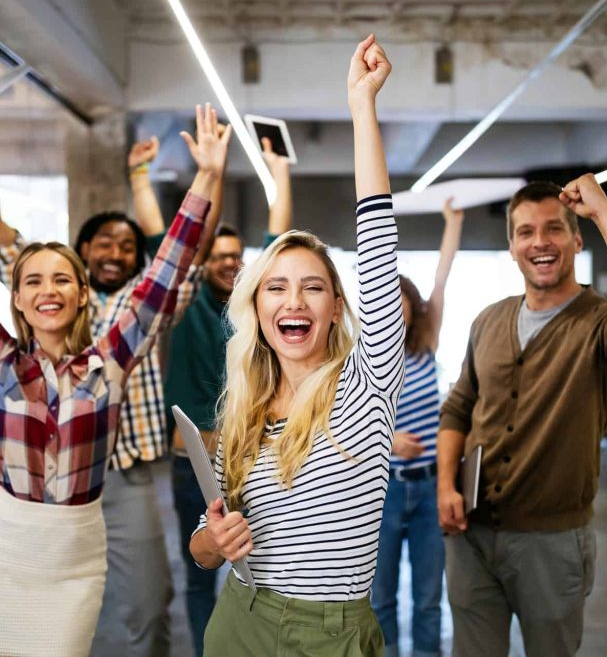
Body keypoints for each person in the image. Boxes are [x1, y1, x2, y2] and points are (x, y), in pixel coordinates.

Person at [0, 81, 228, 656]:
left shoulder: (110, 361)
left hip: (76, 555)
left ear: (80, 295)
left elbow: (166, 274)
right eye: (32, 280)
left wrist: (204, 178)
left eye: (61, 279)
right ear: (18, 299)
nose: (46, 289)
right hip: (5, 550)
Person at [188, 34, 403, 657]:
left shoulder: (366, 385)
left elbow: (379, 237)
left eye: (314, 288)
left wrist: (361, 106)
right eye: (276, 288)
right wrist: (211, 543)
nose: (295, 302)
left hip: (330, 635)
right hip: (241, 619)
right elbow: (206, 543)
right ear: (256, 309)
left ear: (337, 307)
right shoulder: (246, 406)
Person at [436, 178, 607, 657]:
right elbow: (460, 406)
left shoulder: (601, 325)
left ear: (576, 239)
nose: (540, 242)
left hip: (551, 542)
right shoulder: (488, 319)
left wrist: (606, 214)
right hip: (471, 536)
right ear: (511, 247)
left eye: (553, 229)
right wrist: (446, 485)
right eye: (525, 232)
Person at [158, 135, 293, 657]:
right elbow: (186, 248)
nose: (228, 262)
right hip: (189, 464)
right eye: (218, 255)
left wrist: (279, 172)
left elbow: (279, 240)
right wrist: (209, 175)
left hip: (247, 462)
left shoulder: (254, 312)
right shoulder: (185, 305)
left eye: (237, 257)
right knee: (199, 573)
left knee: (260, 570)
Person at [372, 199, 464, 657]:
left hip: (430, 490)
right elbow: (333, 426)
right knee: (380, 599)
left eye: (400, 302)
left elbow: (441, 282)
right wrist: (385, 441)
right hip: (380, 488)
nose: (394, 310)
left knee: (429, 600)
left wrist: (453, 225)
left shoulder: (424, 348)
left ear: (410, 309)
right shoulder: (360, 365)